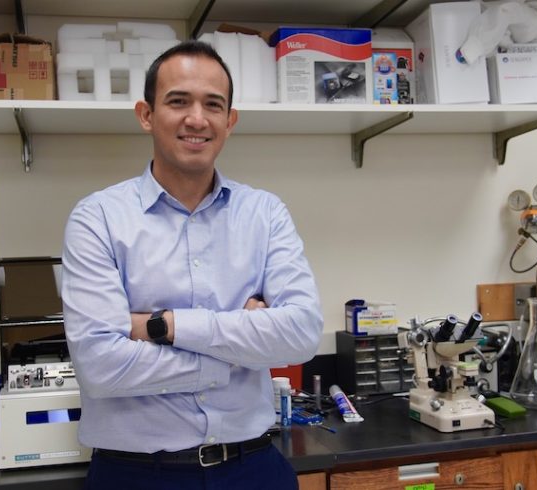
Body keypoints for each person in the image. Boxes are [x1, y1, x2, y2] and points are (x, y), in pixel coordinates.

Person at [61, 40, 323, 490]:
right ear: (146, 114)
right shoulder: (98, 218)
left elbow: (301, 333)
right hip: (136, 475)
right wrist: (235, 355)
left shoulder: (265, 213)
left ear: (230, 121)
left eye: (213, 105)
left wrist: (160, 326)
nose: (197, 118)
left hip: (254, 468)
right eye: (178, 101)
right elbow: (100, 367)